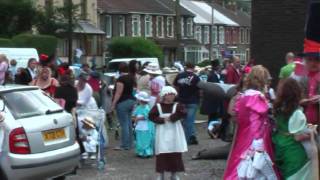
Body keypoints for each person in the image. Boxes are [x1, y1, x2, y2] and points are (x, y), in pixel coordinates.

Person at [223, 65, 278, 180]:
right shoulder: (256, 97)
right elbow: (255, 121)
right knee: (256, 167)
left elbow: (237, 117)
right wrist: (258, 142)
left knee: (241, 164)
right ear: (262, 80)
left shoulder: (244, 96)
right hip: (255, 137)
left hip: (243, 135)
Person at [272, 78, 318, 180]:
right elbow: (298, 137)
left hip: (280, 147)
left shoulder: (278, 108)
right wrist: (312, 131)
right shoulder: (297, 113)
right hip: (295, 153)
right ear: (297, 92)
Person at [149, 86, 188, 180]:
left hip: (175, 132)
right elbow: (151, 116)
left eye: (173, 95)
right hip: (162, 132)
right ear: (164, 95)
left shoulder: (178, 106)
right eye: (169, 94)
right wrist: (161, 119)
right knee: (162, 152)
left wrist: (172, 118)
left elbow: (183, 113)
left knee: (175, 152)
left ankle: (174, 174)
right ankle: (161, 174)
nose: (171, 96)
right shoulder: (158, 106)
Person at [173, 62, 200, 145]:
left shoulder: (179, 75)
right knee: (189, 121)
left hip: (181, 100)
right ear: (193, 67)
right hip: (192, 101)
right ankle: (187, 139)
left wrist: (178, 95)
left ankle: (190, 136)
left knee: (183, 120)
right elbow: (199, 89)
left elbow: (175, 86)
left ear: (186, 67)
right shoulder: (196, 77)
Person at [111, 63, 136, 150]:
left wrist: (113, 104)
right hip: (131, 100)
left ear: (119, 70)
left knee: (124, 124)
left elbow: (118, 92)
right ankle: (130, 143)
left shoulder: (120, 79)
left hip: (123, 102)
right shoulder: (131, 77)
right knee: (129, 123)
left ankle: (124, 145)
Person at [200, 60, 224, 138]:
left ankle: (214, 131)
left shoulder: (216, 75)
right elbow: (214, 87)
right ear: (216, 66)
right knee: (213, 116)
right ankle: (212, 131)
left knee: (215, 116)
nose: (220, 67)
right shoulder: (212, 76)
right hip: (213, 99)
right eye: (219, 66)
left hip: (216, 99)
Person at [132, 91, 155, 158]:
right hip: (140, 126)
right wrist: (135, 118)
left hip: (146, 127)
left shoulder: (147, 108)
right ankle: (140, 151)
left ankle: (147, 152)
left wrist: (139, 118)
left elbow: (148, 116)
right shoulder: (138, 107)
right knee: (139, 139)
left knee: (146, 139)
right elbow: (134, 115)